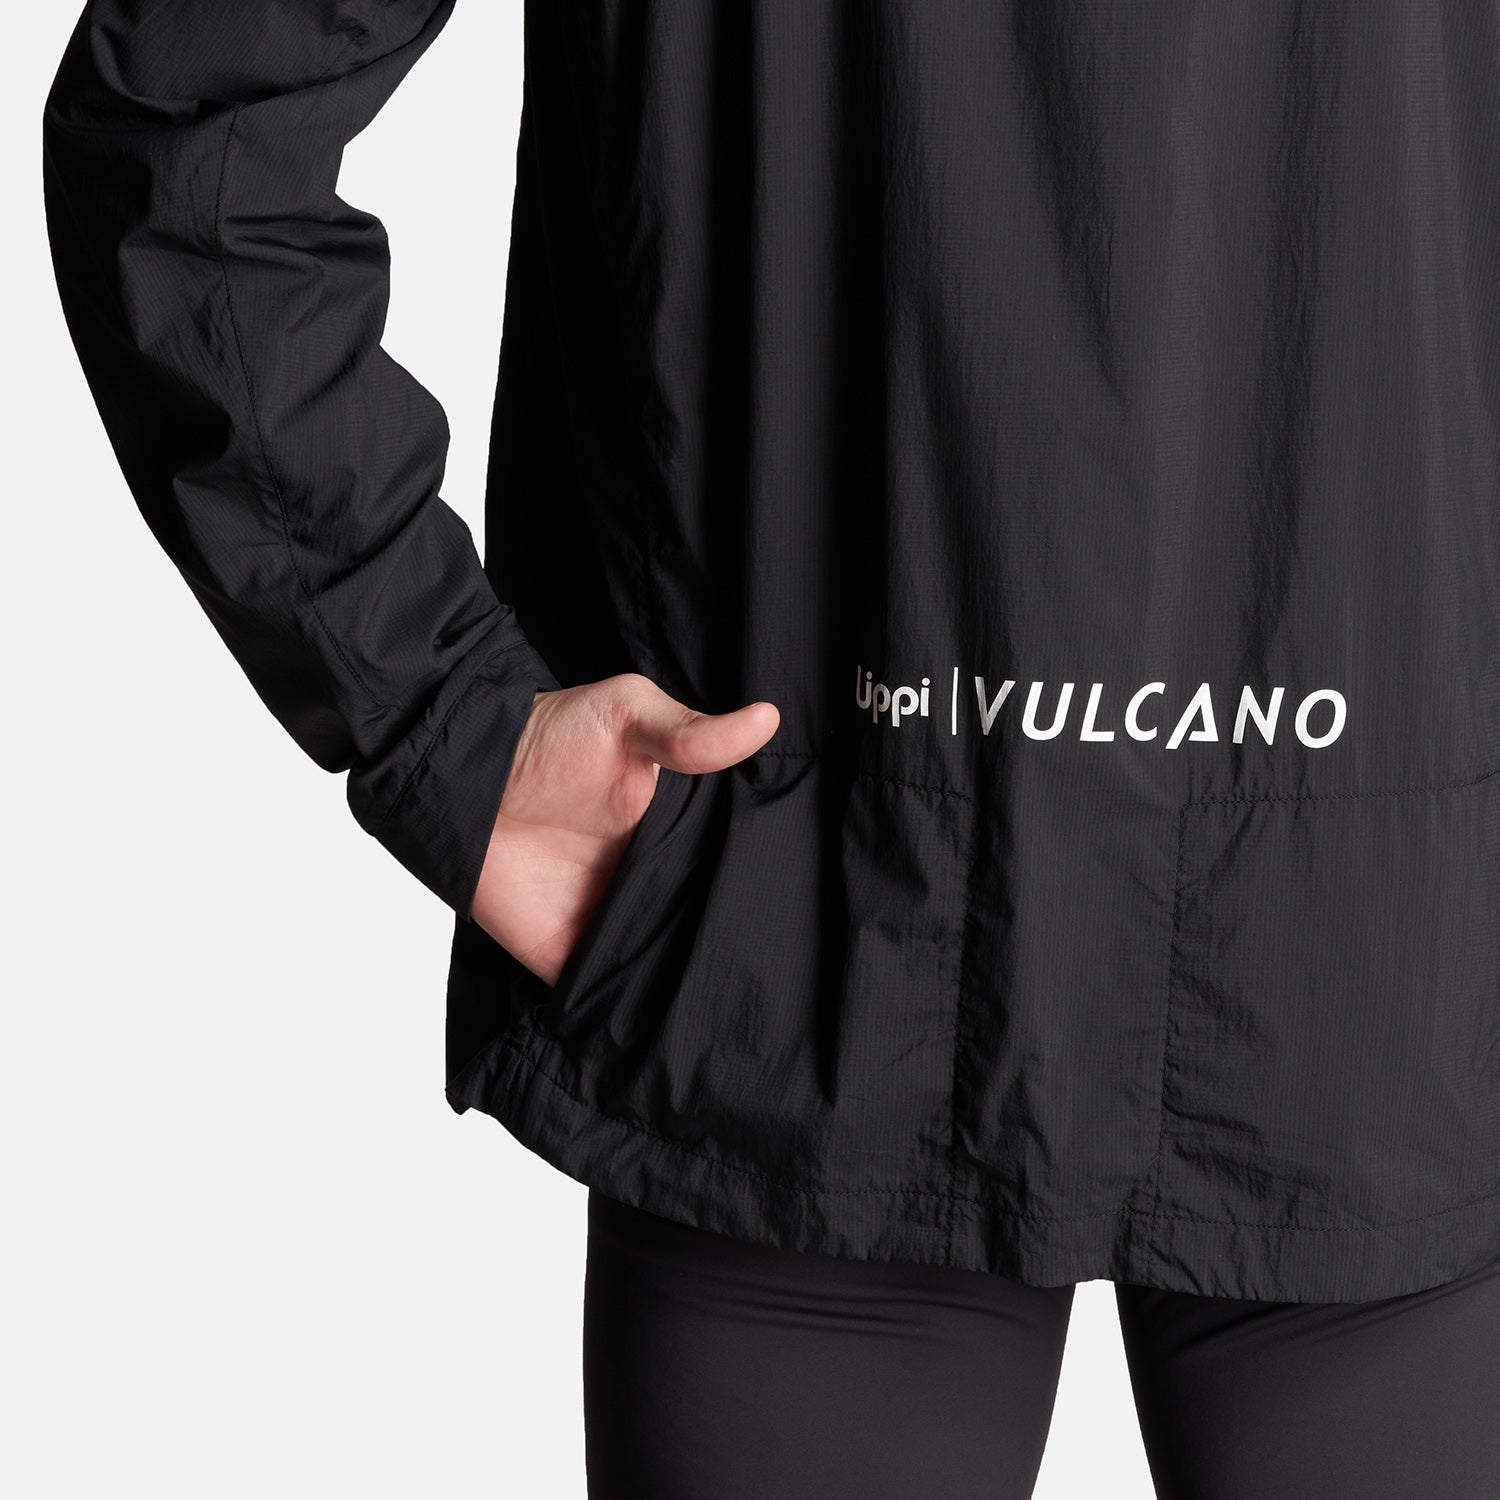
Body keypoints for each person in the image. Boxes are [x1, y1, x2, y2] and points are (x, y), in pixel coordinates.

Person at [42, 2, 1499, 1496]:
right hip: (1069, 958)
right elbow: (187, 133)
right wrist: (444, 724)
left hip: (833, 937)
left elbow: (186, 137)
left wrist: (442, 717)